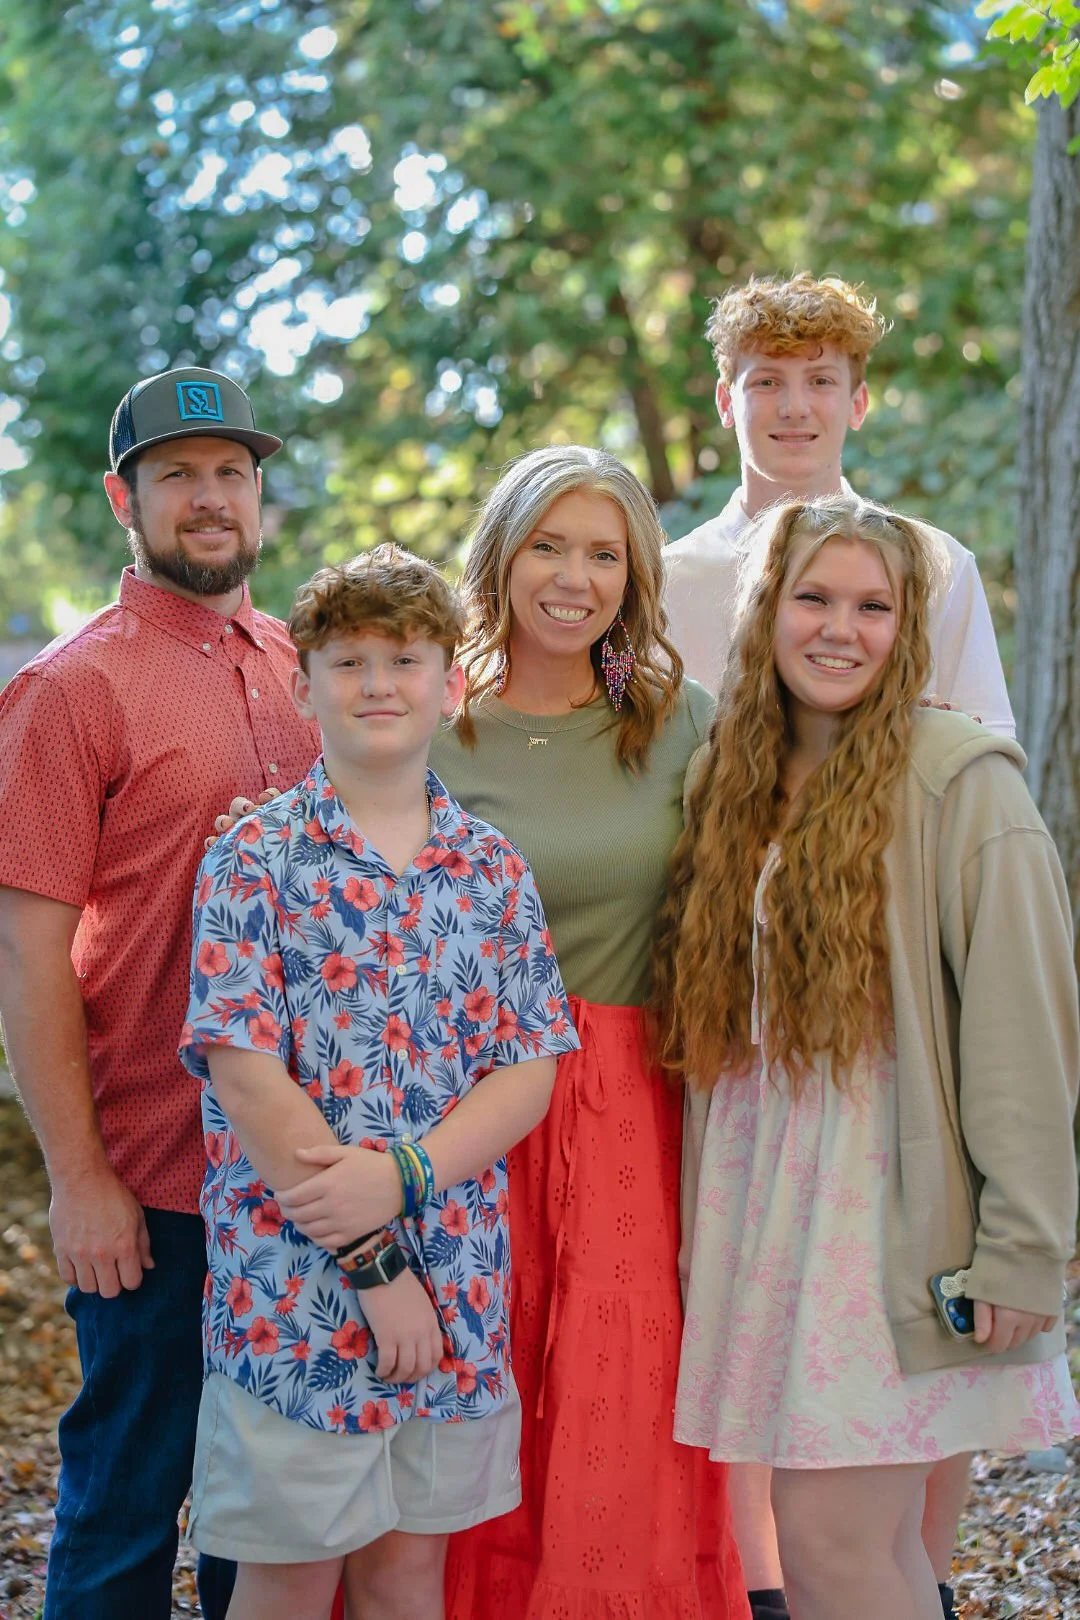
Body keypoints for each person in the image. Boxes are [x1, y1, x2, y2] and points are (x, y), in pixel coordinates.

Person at [652, 494, 1079, 1620]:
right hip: (772, 1198)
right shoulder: (725, 780)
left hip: (893, 1203)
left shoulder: (960, 778)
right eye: (814, 598)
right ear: (764, 611)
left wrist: (1026, 1246)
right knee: (874, 1547)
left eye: (875, 607)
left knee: (832, 1546)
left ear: (911, 630)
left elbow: (1026, 1027)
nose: (842, 629)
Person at [180, 543, 580, 1620]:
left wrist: (404, 1179)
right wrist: (371, 1258)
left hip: (456, 1281)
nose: (376, 684)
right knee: (289, 1579)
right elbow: (247, 1076)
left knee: (408, 1576)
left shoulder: (492, 869)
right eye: (348, 661)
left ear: (450, 685)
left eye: (404, 659)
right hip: (296, 1295)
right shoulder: (253, 857)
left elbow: (527, 1069)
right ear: (302, 685)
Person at [0, 366, 319, 1620]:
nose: (209, 498)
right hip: (157, 1178)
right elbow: (29, 957)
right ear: (122, 498)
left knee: (274, 1516)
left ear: (259, 498)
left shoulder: (311, 665)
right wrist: (81, 1181)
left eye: (231, 473)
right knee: (127, 1503)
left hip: (303, 1175)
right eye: (178, 474)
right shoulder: (70, 689)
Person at [428, 446, 749, 1618]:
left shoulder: (678, 725)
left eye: (603, 553)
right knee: (472, 1410)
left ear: (636, 576)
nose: (574, 576)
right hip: (459, 1113)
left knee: (622, 1412)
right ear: (501, 557)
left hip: (632, 1115)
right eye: (549, 546)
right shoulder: (429, 719)